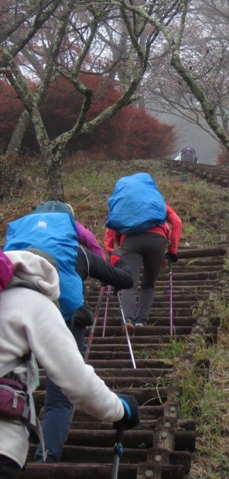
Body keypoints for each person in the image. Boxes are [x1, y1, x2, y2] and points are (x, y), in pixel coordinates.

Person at [0, 249, 139, 478]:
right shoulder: (32, 301)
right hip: (3, 445)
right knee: (59, 404)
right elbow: (76, 381)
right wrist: (120, 409)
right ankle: (46, 459)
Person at [34, 243, 134, 463]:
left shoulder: (11, 250)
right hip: (66, 322)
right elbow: (126, 280)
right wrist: (117, 259)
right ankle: (45, 463)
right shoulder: (76, 251)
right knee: (59, 401)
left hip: (11, 324)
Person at [104, 197, 182, 333]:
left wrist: (110, 252)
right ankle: (140, 321)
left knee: (129, 282)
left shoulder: (124, 204)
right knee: (148, 284)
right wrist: (173, 250)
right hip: (157, 240)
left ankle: (128, 319)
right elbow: (177, 222)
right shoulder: (158, 203)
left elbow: (110, 228)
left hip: (130, 240)